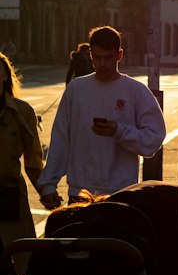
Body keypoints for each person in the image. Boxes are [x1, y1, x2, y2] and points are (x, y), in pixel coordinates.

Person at [37, 25, 166, 209]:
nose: (102, 63)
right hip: (80, 192)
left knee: (114, 238)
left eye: (108, 57)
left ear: (119, 55)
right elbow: (61, 138)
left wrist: (120, 131)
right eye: (97, 57)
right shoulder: (76, 89)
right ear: (90, 54)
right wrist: (49, 182)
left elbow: (153, 139)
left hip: (122, 192)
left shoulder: (135, 91)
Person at [0, 53, 45, 275]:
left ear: (4, 76)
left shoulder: (21, 112)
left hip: (6, 194)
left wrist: (47, 191)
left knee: (8, 257)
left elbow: (34, 159)